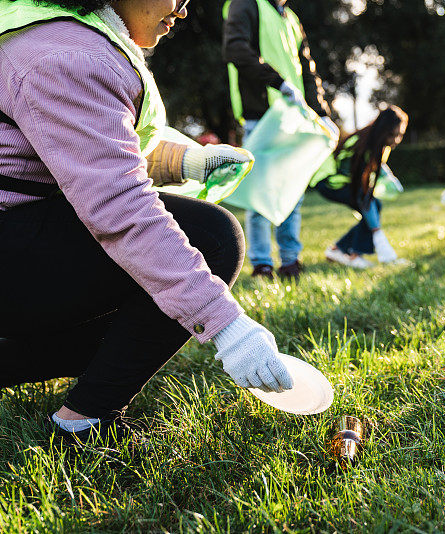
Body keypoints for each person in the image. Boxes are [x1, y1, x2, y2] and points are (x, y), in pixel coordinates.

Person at [0, 0, 293, 445]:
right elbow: (118, 205)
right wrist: (227, 326)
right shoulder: (68, 55)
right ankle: (82, 422)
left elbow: (87, 150)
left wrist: (187, 162)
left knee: (148, 303)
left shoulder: (57, 35)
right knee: (212, 239)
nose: (185, 5)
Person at [223, 0, 333, 280]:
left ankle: (290, 261)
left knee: (292, 192)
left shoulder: (291, 18)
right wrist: (278, 82)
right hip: (262, 116)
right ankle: (262, 265)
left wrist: (321, 111)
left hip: (294, 117)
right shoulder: (244, 5)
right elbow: (235, 49)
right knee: (260, 192)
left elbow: (307, 69)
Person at [309, 106, 409, 268]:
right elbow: (356, 181)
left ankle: (338, 249)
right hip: (330, 184)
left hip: (342, 184)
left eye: (400, 135)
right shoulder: (362, 143)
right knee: (371, 206)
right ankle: (354, 255)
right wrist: (376, 231)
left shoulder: (377, 143)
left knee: (373, 206)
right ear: (384, 130)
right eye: (393, 135)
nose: (396, 140)